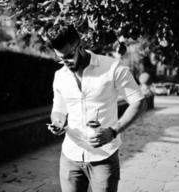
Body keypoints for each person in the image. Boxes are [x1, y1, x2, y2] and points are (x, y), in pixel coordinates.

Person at [46, 24, 144, 192]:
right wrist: (57, 122)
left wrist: (113, 131)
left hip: (104, 157)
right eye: (61, 58)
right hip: (70, 156)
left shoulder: (113, 68)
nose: (66, 63)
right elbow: (58, 110)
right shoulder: (60, 76)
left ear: (80, 45)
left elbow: (139, 101)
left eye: (69, 56)